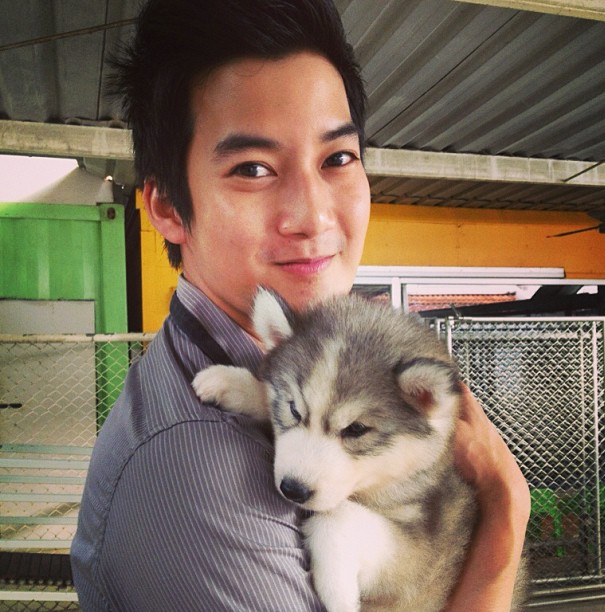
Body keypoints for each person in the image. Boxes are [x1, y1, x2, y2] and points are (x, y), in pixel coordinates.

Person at [71, 0, 530, 609]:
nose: (313, 217)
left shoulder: (295, 357)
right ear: (168, 208)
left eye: (337, 158)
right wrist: (506, 511)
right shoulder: (208, 486)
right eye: (253, 168)